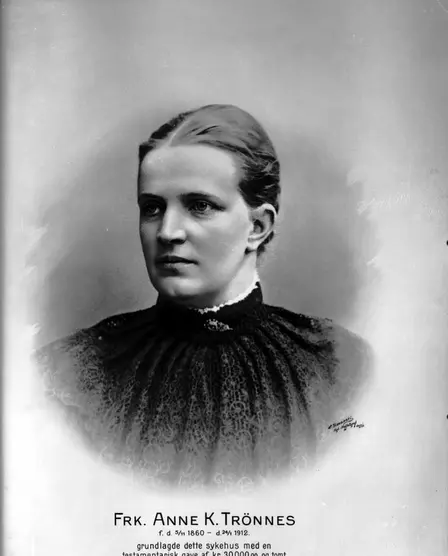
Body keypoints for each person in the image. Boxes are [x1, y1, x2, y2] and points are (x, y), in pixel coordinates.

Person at [35, 104, 371, 489]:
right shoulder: (66, 376)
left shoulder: (341, 368)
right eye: (152, 208)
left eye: (200, 206)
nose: (167, 232)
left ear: (257, 227)